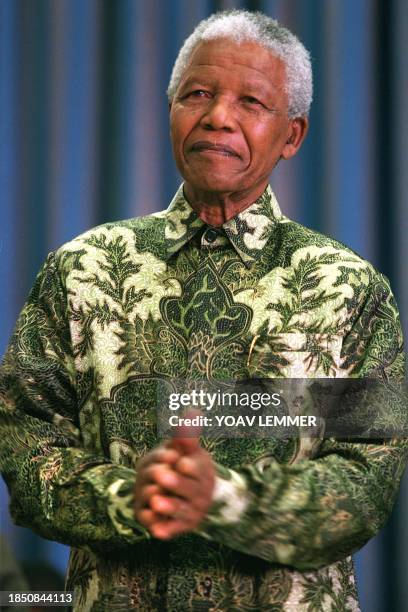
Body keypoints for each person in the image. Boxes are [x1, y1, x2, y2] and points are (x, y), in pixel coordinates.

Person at [0, 9, 406, 611]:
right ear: (170, 112)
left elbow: (366, 482)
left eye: (251, 102)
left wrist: (223, 499)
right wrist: (125, 498)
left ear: (292, 136)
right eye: (197, 94)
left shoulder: (347, 289)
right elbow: (23, 442)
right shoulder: (79, 270)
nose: (218, 117)